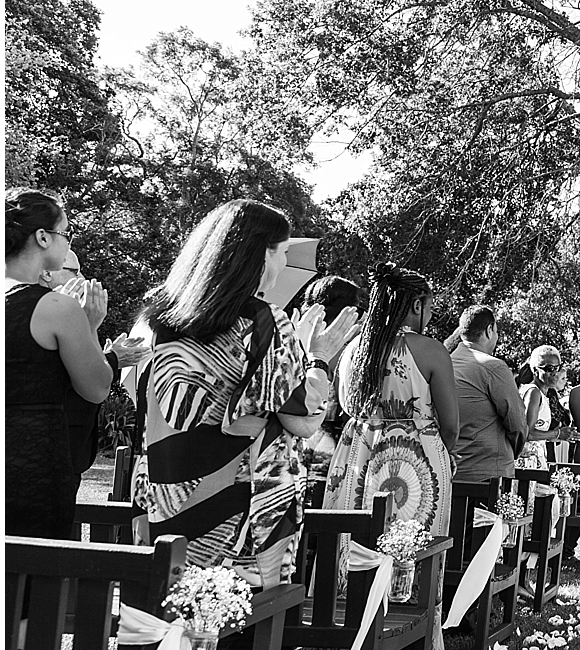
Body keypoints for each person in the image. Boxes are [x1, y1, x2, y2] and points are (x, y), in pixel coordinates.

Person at [132, 199, 353, 586]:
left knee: (158, 618)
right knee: (238, 622)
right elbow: (300, 414)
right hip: (242, 501)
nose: (284, 264)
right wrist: (317, 357)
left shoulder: (155, 316)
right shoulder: (264, 322)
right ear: (260, 254)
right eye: (282, 252)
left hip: (161, 488)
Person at [325, 261, 458, 650]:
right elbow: (452, 424)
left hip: (360, 459)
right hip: (418, 464)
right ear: (416, 304)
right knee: (414, 559)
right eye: (429, 307)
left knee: (356, 553)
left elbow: (344, 408)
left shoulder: (352, 351)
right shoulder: (432, 351)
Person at [6, 190, 137, 538]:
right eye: (66, 233)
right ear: (43, 237)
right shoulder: (57, 309)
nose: (67, 242)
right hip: (32, 462)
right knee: (35, 578)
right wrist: (90, 324)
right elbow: (95, 387)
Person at [42, 248, 148, 477]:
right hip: (52, 445)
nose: (82, 279)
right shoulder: (38, 314)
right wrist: (113, 358)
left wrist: (109, 354)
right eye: (75, 271)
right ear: (47, 273)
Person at [449, 305, 528, 484]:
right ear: (489, 330)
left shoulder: (444, 363)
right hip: (489, 473)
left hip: (449, 470)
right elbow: (517, 423)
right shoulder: (494, 367)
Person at [298, 275, 363, 489]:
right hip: (334, 446)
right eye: (357, 308)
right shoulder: (348, 346)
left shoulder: (298, 336)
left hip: (298, 442)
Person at [517, 346, 578, 466]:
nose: (555, 373)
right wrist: (558, 433)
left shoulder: (544, 394)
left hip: (536, 460)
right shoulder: (533, 393)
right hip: (527, 465)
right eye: (549, 368)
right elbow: (527, 434)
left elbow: (539, 434)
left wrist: (563, 436)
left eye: (557, 367)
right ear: (535, 371)